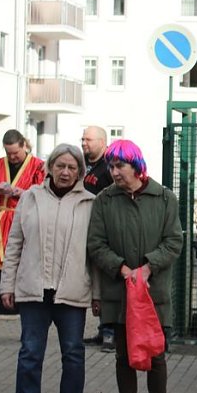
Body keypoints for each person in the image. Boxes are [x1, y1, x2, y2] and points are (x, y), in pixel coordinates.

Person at [0, 144, 98, 393]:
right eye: (60, 166)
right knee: (30, 354)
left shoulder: (90, 203)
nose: (65, 172)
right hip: (33, 290)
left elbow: (94, 253)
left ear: (80, 172)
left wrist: (98, 294)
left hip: (72, 292)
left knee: (73, 355)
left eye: (71, 167)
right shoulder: (30, 198)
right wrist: (7, 284)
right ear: (49, 168)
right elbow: (14, 244)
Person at [87, 140, 183, 393]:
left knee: (155, 356)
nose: (114, 172)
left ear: (137, 166)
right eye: (111, 166)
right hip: (120, 293)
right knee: (124, 357)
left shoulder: (165, 198)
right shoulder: (104, 200)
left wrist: (148, 267)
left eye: (120, 166)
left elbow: (173, 241)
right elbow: (96, 244)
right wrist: (122, 268)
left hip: (153, 295)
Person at [0, 129, 45, 344]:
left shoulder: (39, 167)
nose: (12, 157)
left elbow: (46, 195)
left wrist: (24, 193)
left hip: (23, 227)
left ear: (24, 146)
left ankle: (28, 329)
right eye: (8, 153)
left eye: (16, 153)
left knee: (24, 277)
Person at [80, 125, 115, 352]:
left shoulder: (110, 167)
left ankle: (110, 333)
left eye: (89, 140)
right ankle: (102, 329)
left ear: (102, 142)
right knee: (94, 284)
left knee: (106, 283)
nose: (84, 143)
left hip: (104, 233)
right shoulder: (82, 164)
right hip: (83, 230)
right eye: (82, 139)